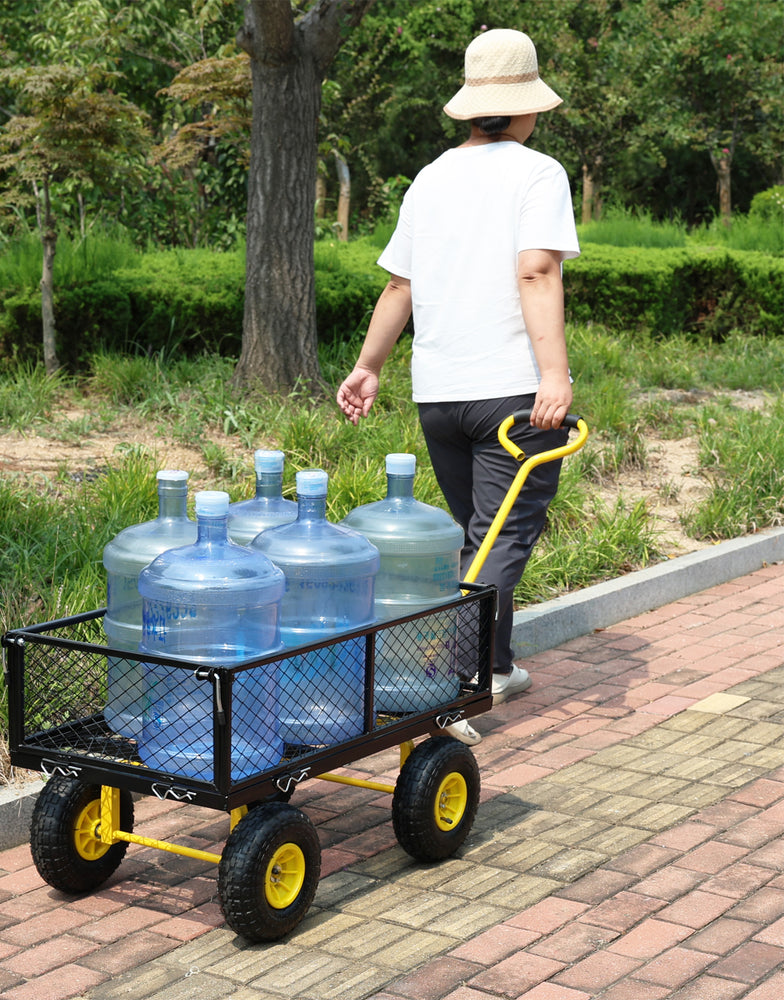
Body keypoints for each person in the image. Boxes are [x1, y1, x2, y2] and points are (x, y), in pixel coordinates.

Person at [336, 28, 580, 747]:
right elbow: (537, 271)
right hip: (512, 390)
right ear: (526, 106)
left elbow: (400, 284)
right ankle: (447, 693)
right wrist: (555, 373)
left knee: (478, 538)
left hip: (437, 392)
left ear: (473, 106)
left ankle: (494, 661)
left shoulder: (431, 177)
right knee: (501, 537)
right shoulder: (539, 173)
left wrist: (368, 365)